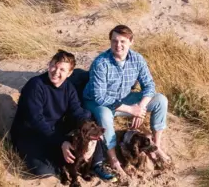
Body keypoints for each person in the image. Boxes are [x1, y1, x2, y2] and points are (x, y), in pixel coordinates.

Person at [10, 50, 115, 182]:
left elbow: (77, 111)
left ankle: (96, 163)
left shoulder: (68, 87)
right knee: (43, 170)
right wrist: (61, 142)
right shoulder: (35, 85)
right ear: (49, 65)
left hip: (55, 128)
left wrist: (88, 129)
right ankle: (61, 168)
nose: (56, 72)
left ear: (69, 73)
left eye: (62, 69)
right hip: (31, 133)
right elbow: (36, 120)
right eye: (54, 65)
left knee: (90, 124)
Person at [82, 25, 170, 174]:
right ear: (110, 42)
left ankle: (156, 146)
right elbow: (100, 97)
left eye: (123, 41)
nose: (118, 45)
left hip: (124, 96)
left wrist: (141, 108)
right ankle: (113, 159)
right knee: (104, 115)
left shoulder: (137, 59)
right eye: (114, 41)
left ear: (131, 41)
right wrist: (130, 110)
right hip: (98, 102)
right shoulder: (101, 63)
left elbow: (149, 85)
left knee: (161, 100)